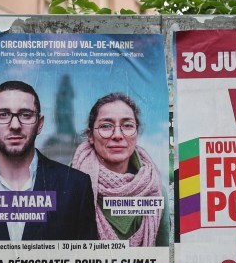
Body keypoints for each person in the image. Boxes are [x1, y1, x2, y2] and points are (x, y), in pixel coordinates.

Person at [0, 81, 97, 246]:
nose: (15, 125)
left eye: (26, 114)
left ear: (40, 124)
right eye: (3, 114)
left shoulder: (76, 185)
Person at [71, 93, 167, 246]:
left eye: (127, 125)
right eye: (106, 126)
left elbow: (163, 254)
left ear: (137, 132)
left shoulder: (154, 189)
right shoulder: (68, 185)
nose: (117, 135)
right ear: (90, 135)